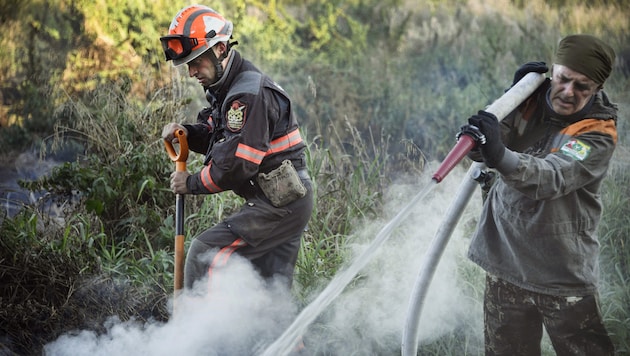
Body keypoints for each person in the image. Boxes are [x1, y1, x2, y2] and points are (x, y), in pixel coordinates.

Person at [466, 34, 617, 355]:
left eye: (583, 87)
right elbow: (488, 148)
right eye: (563, 79)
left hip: (560, 271)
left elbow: (550, 177)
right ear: (554, 70)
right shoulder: (531, 98)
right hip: (505, 258)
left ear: (597, 89)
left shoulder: (596, 134)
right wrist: (511, 99)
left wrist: (497, 153)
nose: (568, 92)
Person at [160, 5, 313, 293]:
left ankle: (192, 334)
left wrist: (190, 183)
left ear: (219, 49)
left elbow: (238, 164)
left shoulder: (246, 94)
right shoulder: (226, 88)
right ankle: (281, 340)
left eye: (196, 62)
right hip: (282, 202)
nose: (192, 72)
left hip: (279, 204)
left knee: (204, 254)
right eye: (188, 65)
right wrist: (186, 133)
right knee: (270, 296)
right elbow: (219, 138)